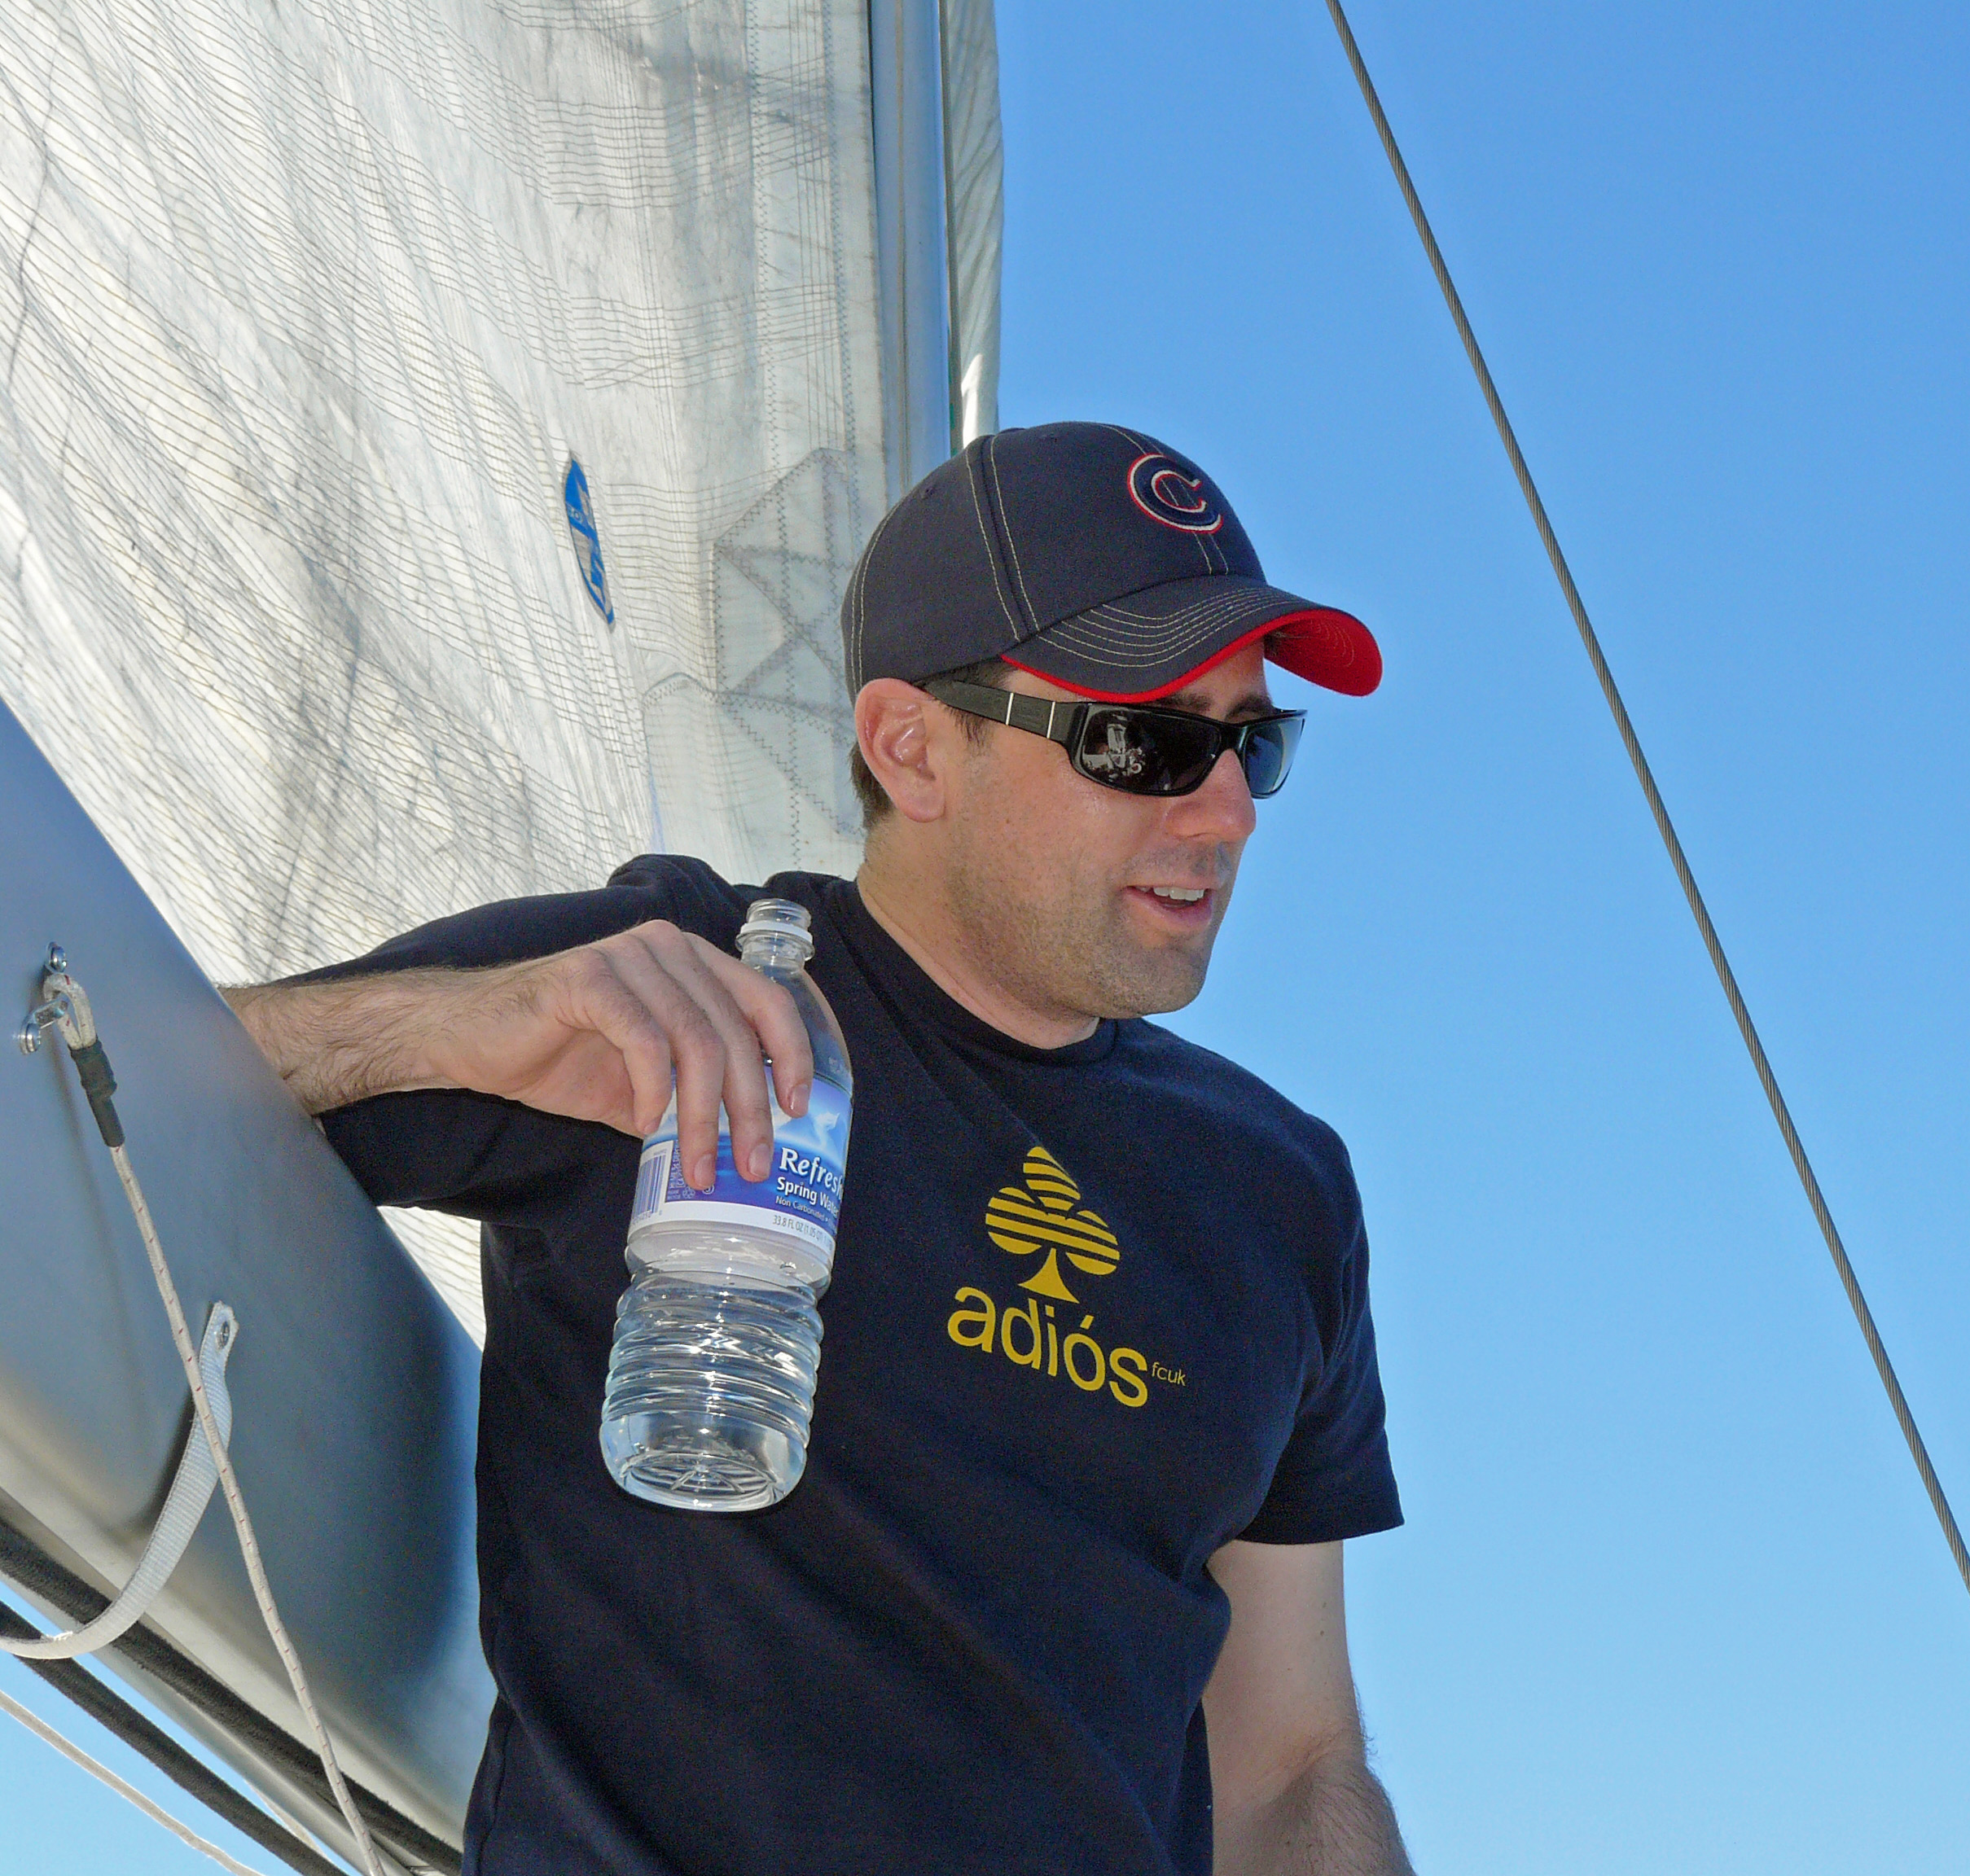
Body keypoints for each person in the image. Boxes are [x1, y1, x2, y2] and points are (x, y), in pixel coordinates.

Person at [228, 422, 1413, 1876]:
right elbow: (100, 1058)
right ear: (912, 748)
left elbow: (1290, 1763)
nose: (1224, 812)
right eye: (1146, 742)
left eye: (1251, 745)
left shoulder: (1281, 1193)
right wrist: (456, 1025)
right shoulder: (667, 986)